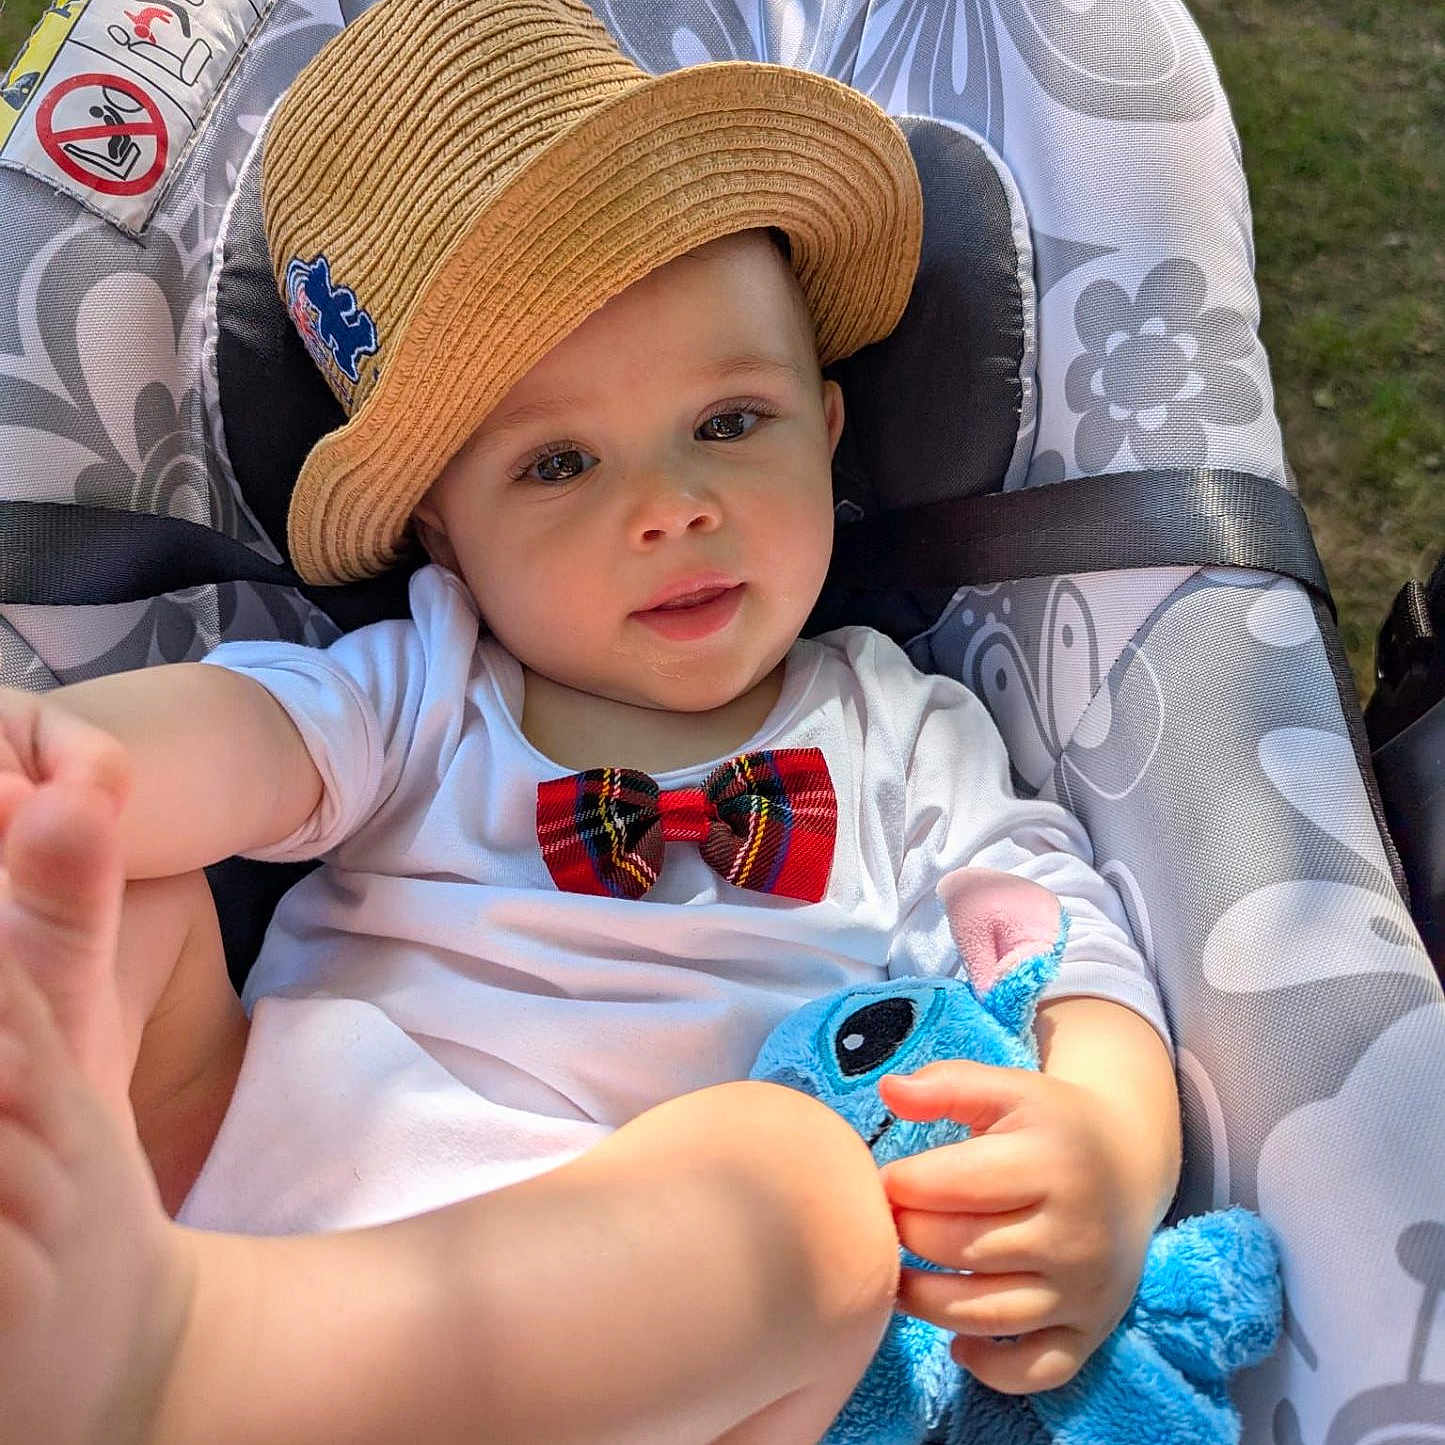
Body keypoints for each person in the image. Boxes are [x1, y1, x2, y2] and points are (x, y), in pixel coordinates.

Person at [0, 0, 1181, 1439]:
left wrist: (1106, 1156)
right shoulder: (428, 684)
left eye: (728, 422)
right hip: (231, 1202)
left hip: (631, 1351)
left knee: (800, 1192)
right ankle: (102, 1304)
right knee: (111, 876)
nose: (669, 506)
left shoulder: (898, 728)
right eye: (559, 462)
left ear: (826, 425)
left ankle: (176, 1367)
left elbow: (1072, 951)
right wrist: (63, 765)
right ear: (444, 532)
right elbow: (241, 738)